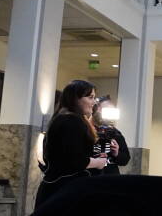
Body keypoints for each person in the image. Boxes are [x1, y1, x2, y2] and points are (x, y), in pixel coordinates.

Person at [36, 80, 108, 208]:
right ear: (75, 99)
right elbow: (76, 161)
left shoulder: (62, 118)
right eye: (90, 97)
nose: (94, 102)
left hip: (58, 187)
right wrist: (98, 163)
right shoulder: (71, 121)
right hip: (65, 190)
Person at [94, 96, 131, 175]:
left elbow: (126, 159)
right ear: (95, 109)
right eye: (105, 109)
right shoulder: (88, 130)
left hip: (111, 175)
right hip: (92, 175)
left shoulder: (115, 133)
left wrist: (117, 153)